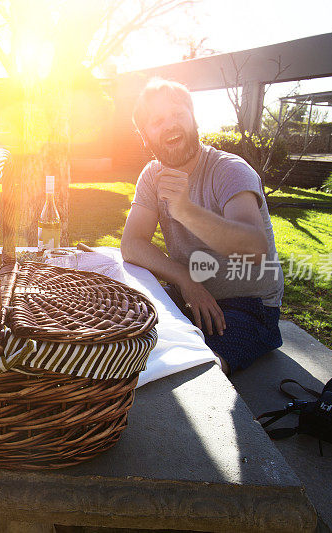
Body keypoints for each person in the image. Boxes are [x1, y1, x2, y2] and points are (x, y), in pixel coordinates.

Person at [121, 78, 284, 374]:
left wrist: (184, 209)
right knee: (122, 336)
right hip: (188, 294)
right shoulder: (152, 175)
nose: (170, 125)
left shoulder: (230, 170)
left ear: (194, 119)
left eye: (178, 114)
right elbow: (132, 243)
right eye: (157, 121)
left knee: (197, 371)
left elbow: (254, 247)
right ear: (145, 137)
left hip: (249, 306)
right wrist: (185, 279)